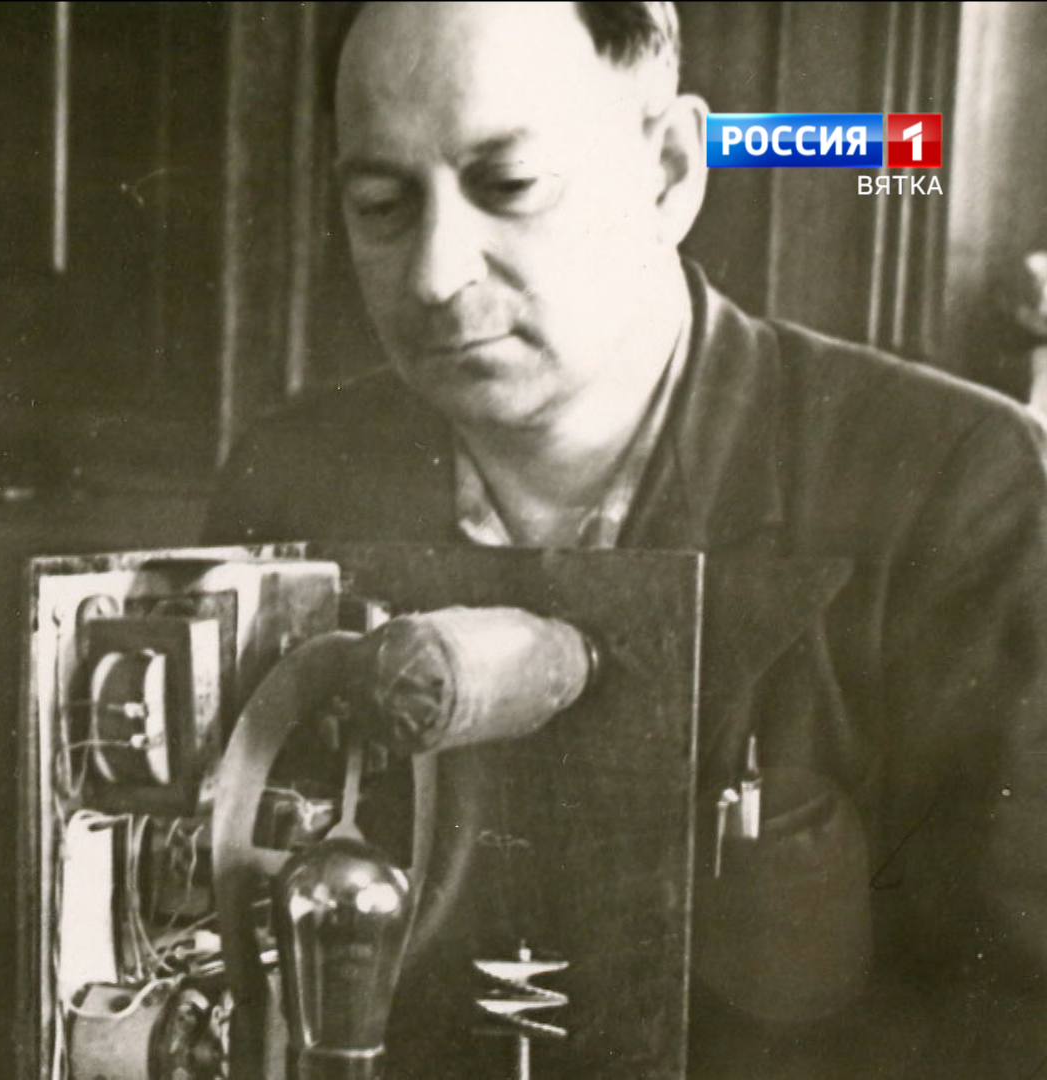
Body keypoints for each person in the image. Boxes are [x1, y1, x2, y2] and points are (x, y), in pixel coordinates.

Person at [204, 2, 1046, 1075]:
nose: (434, 274)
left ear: (670, 170)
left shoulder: (954, 484)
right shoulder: (287, 482)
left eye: (510, 186)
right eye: (381, 205)